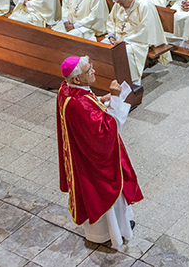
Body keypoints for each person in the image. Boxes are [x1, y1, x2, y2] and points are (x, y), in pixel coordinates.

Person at [55, 55, 142, 249]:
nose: (93, 71)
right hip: (96, 161)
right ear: (77, 79)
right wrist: (117, 97)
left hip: (83, 154)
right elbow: (109, 128)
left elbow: (86, 111)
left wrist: (100, 100)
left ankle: (102, 232)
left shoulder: (66, 89)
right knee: (105, 192)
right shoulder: (79, 103)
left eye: (91, 66)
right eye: (89, 70)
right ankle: (114, 233)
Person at [105, 0, 169, 84]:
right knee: (102, 47)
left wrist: (125, 41)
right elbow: (111, 20)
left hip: (138, 40)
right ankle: (110, 79)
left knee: (125, 52)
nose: (120, 6)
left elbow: (146, 29)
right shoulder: (119, 3)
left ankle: (132, 82)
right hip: (118, 37)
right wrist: (111, 36)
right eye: (118, 4)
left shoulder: (144, 5)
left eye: (122, 3)